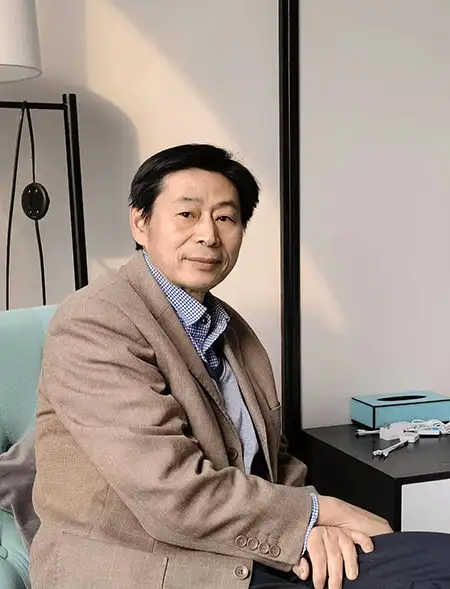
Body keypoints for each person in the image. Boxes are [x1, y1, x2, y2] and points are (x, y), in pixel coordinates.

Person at [30, 144, 450, 589]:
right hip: (146, 568)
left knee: (438, 561)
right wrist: (320, 513)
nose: (209, 235)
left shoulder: (230, 328)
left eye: (226, 218)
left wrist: (314, 530)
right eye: (187, 214)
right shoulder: (95, 321)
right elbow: (170, 490)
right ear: (141, 222)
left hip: (248, 549)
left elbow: (274, 460)